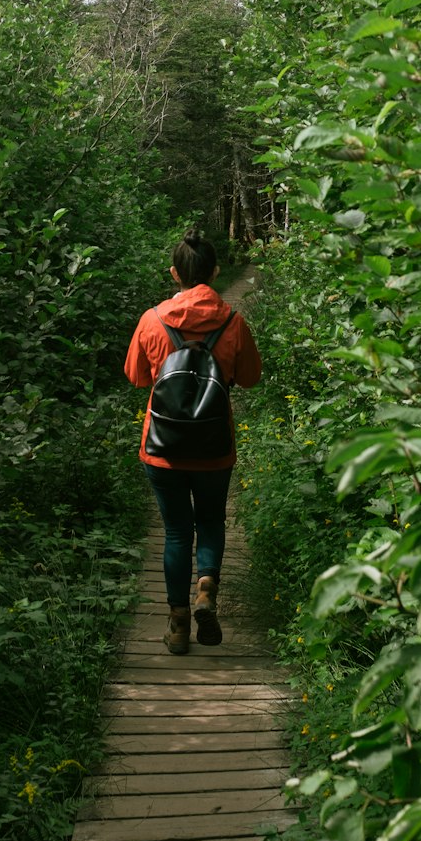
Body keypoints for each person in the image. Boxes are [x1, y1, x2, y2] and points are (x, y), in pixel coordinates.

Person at [124, 229, 262, 655]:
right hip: (214, 445)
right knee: (211, 522)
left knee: (177, 532)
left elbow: (137, 377)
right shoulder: (233, 322)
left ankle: (179, 625)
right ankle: (206, 587)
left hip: (162, 448)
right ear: (216, 272)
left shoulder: (152, 320)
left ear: (173, 273)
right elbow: (251, 378)